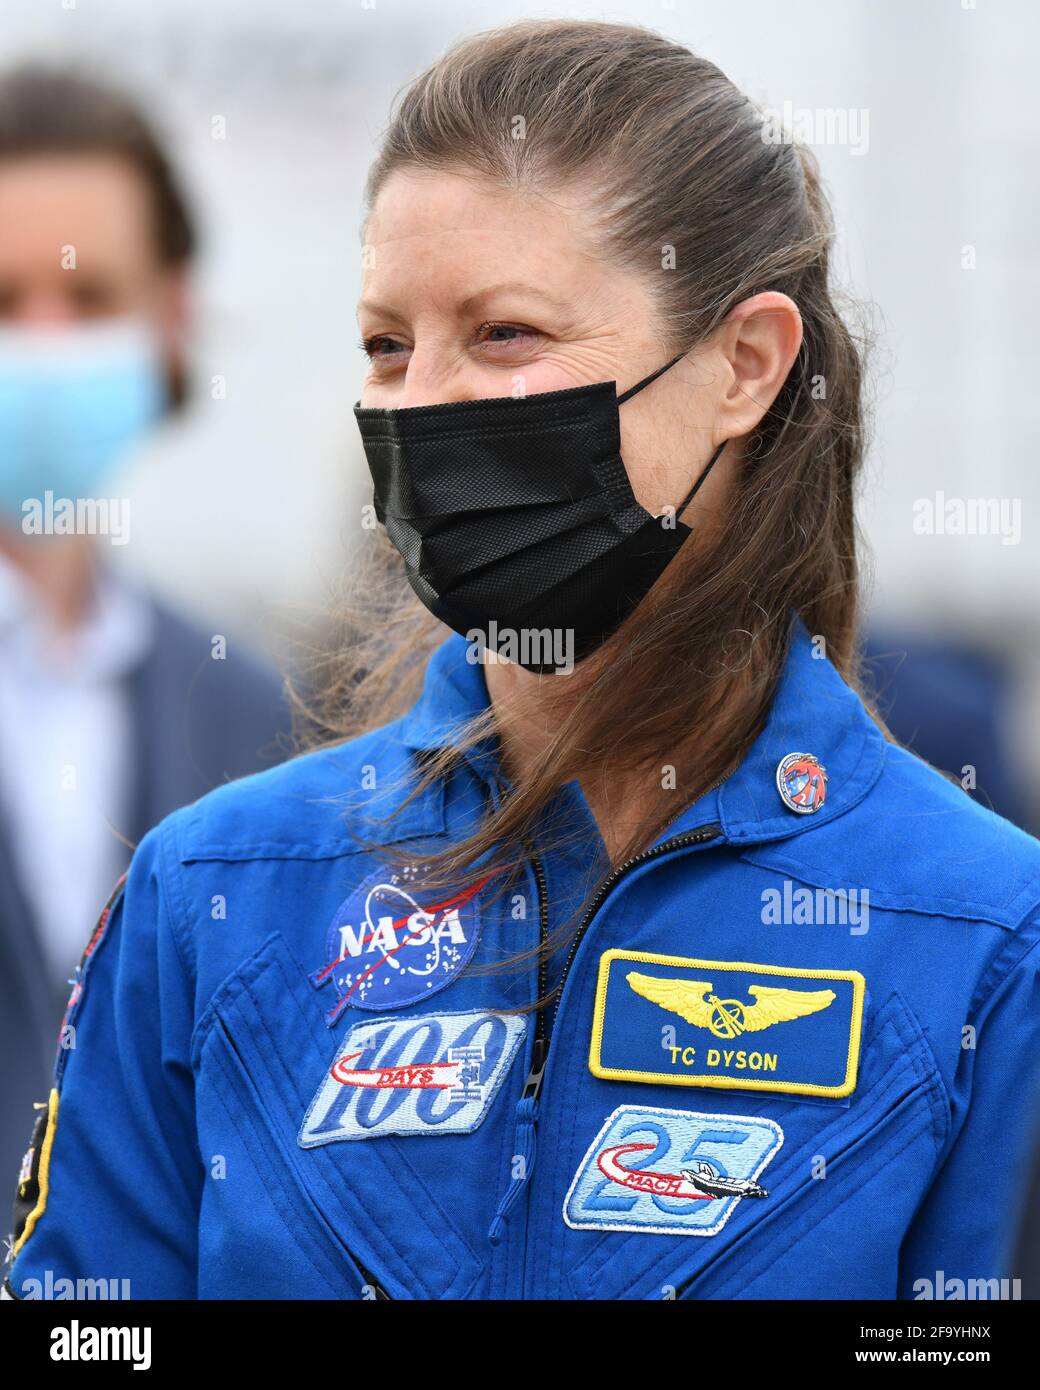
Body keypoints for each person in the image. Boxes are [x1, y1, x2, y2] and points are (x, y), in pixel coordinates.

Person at [5, 19, 1039, 1302]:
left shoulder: (987, 938)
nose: (423, 403)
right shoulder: (212, 892)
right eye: (388, 345)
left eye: (502, 335)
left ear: (744, 364)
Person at [0, 67, 290, 1195]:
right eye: (5, 299)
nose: (43, 342)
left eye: (88, 300)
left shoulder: (248, 708)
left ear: (170, 319)